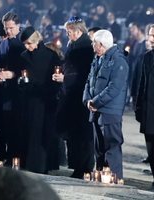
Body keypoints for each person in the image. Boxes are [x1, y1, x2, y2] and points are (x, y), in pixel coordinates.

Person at [83, 29, 129, 180]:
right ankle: (101, 176)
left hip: (110, 112)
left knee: (112, 147)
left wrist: (95, 102)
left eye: (94, 42)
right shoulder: (97, 58)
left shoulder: (119, 61)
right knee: (99, 148)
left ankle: (114, 179)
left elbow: (114, 88)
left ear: (101, 45)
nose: (92, 44)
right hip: (96, 110)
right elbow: (90, 80)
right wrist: (87, 100)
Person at [52, 16, 95, 179]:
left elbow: (84, 74)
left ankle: (85, 168)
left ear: (78, 31)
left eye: (69, 31)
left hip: (80, 97)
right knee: (74, 134)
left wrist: (66, 78)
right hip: (70, 96)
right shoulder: (73, 45)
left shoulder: (85, 48)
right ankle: (78, 166)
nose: (67, 34)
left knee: (83, 134)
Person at [19, 26, 61, 173]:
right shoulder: (23, 56)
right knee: (29, 132)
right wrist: (22, 82)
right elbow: (22, 76)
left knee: (42, 134)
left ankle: (42, 166)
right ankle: (27, 164)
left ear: (36, 41)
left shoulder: (50, 56)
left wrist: (45, 90)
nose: (27, 47)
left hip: (45, 101)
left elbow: (56, 79)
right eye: (25, 44)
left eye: (29, 43)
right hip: (28, 102)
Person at [0, 12, 25, 164]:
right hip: (5, 92)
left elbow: (28, 67)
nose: (8, 31)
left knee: (17, 127)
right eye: (6, 28)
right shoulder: (3, 43)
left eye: (11, 28)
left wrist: (12, 74)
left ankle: (17, 157)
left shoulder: (24, 42)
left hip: (19, 94)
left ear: (18, 26)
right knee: (6, 126)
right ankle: (8, 155)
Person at [135, 24, 154, 187]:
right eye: (150, 35)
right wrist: (138, 107)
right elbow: (142, 84)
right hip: (149, 111)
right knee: (151, 148)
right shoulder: (147, 57)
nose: (151, 39)